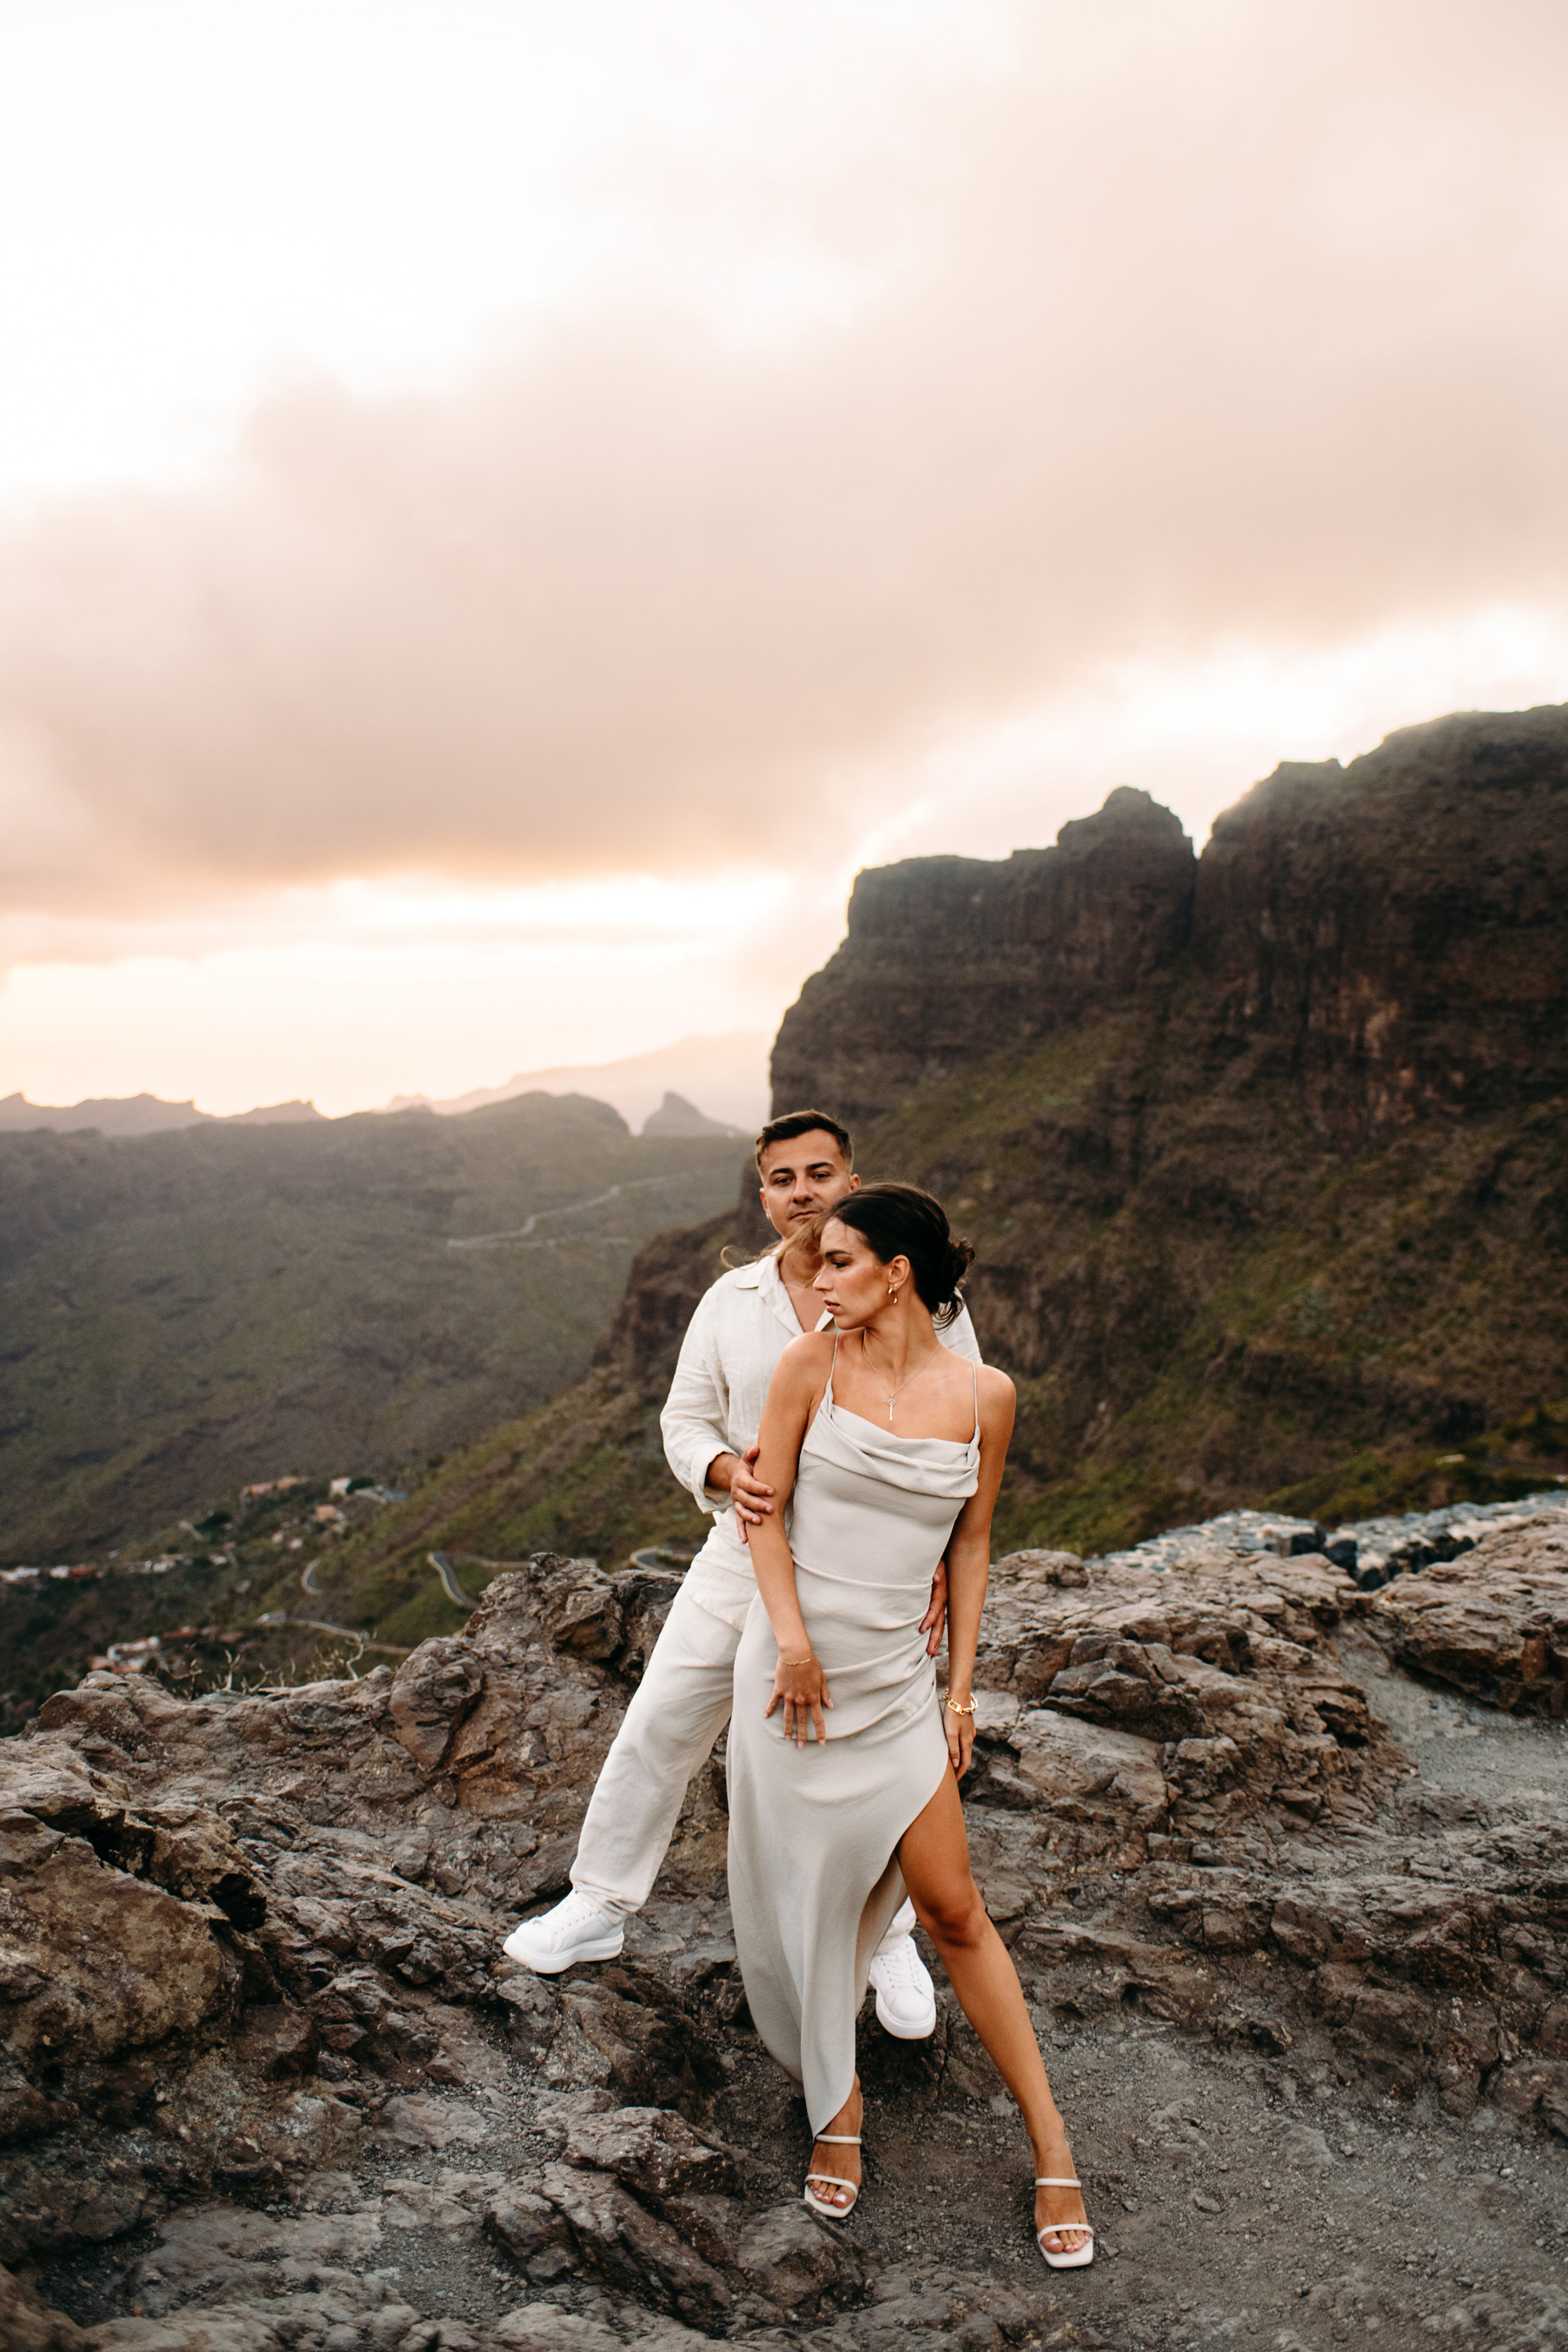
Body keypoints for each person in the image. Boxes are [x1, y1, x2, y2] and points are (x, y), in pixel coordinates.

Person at [502, 1111, 985, 2045]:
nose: (803, 1191)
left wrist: (934, 1562)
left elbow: (960, 1427)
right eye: (783, 1178)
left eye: (821, 1172)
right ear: (762, 1197)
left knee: (866, 1763)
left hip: (867, 1568)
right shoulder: (731, 1301)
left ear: (852, 1181)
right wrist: (728, 1476)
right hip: (743, 1548)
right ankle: (599, 1901)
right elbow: (685, 1421)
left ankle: (885, 1939)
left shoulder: (928, 1302)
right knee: (665, 1715)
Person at [725, 1183, 1093, 2269]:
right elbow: (765, 1519)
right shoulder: (806, 1367)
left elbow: (972, 1545)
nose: (817, 1279)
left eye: (837, 1262)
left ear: (898, 1272)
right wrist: (791, 1642)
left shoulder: (986, 1395)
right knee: (814, 1901)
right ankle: (836, 2111)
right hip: (792, 1678)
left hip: (895, 1682)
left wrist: (961, 1690)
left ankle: (1051, 2138)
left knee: (954, 1908)